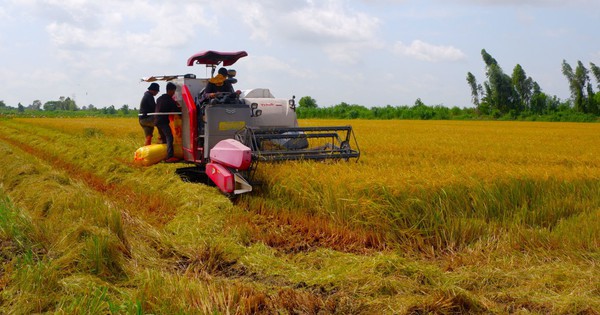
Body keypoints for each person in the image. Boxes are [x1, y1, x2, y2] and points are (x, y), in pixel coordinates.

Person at [155, 82, 181, 163]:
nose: (173, 93)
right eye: (173, 91)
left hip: (156, 120)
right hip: (163, 121)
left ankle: (162, 155)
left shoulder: (159, 98)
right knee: (169, 137)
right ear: (170, 90)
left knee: (163, 138)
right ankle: (170, 157)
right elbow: (176, 110)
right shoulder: (169, 100)